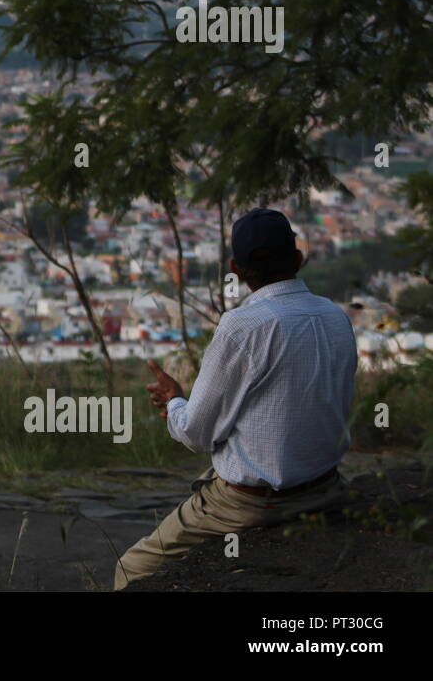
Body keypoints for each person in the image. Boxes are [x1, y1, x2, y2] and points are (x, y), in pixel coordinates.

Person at [113, 207, 357, 590]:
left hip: (251, 505)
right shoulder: (335, 317)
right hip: (325, 490)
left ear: (236, 268)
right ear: (297, 258)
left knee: (132, 569)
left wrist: (176, 401)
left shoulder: (243, 326)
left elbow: (197, 435)